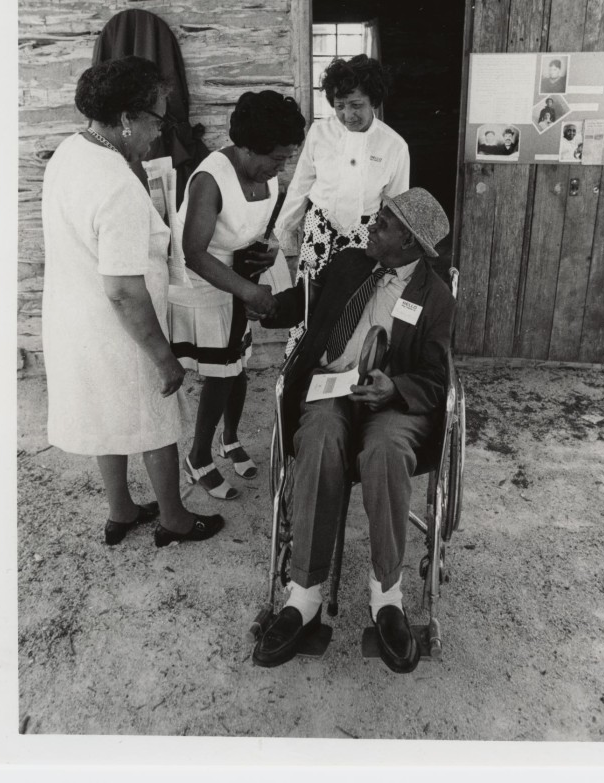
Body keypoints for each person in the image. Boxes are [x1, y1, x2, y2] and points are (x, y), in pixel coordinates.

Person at [251, 188, 455, 673]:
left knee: (386, 450)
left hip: (393, 401)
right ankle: (304, 597)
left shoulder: (435, 298)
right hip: (330, 386)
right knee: (319, 437)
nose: (373, 224)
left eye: (384, 221)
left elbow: (436, 378)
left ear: (409, 242)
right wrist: (255, 301)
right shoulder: (348, 264)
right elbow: (305, 301)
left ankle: (387, 598)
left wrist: (395, 387)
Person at [41, 56, 223, 548]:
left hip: (79, 321)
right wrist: (164, 358)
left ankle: (121, 510)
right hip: (121, 326)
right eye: (156, 121)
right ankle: (175, 520)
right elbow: (123, 288)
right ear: (126, 120)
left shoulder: (70, 153)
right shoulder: (116, 184)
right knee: (155, 419)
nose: (159, 134)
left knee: (109, 414)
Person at [168, 91, 306, 500]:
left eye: (286, 158)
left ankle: (229, 438)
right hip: (206, 281)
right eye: (277, 158)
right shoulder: (211, 179)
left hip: (241, 275)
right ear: (248, 147)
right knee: (221, 372)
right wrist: (247, 289)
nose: (282, 166)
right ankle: (197, 457)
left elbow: (259, 226)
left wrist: (271, 250)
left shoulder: (264, 172)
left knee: (239, 363)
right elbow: (193, 252)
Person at [274, 54, 410, 351]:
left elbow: (397, 207)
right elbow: (301, 184)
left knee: (351, 305)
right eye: (339, 106)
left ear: (373, 100)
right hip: (320, 228)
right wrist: (282, 232)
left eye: (356, 105)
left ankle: (342, 370)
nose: (347, 114)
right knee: (309, 299)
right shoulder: (320, 133)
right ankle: (301, 365)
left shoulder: (394, 145)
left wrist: (391, 253)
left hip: (365, 236)